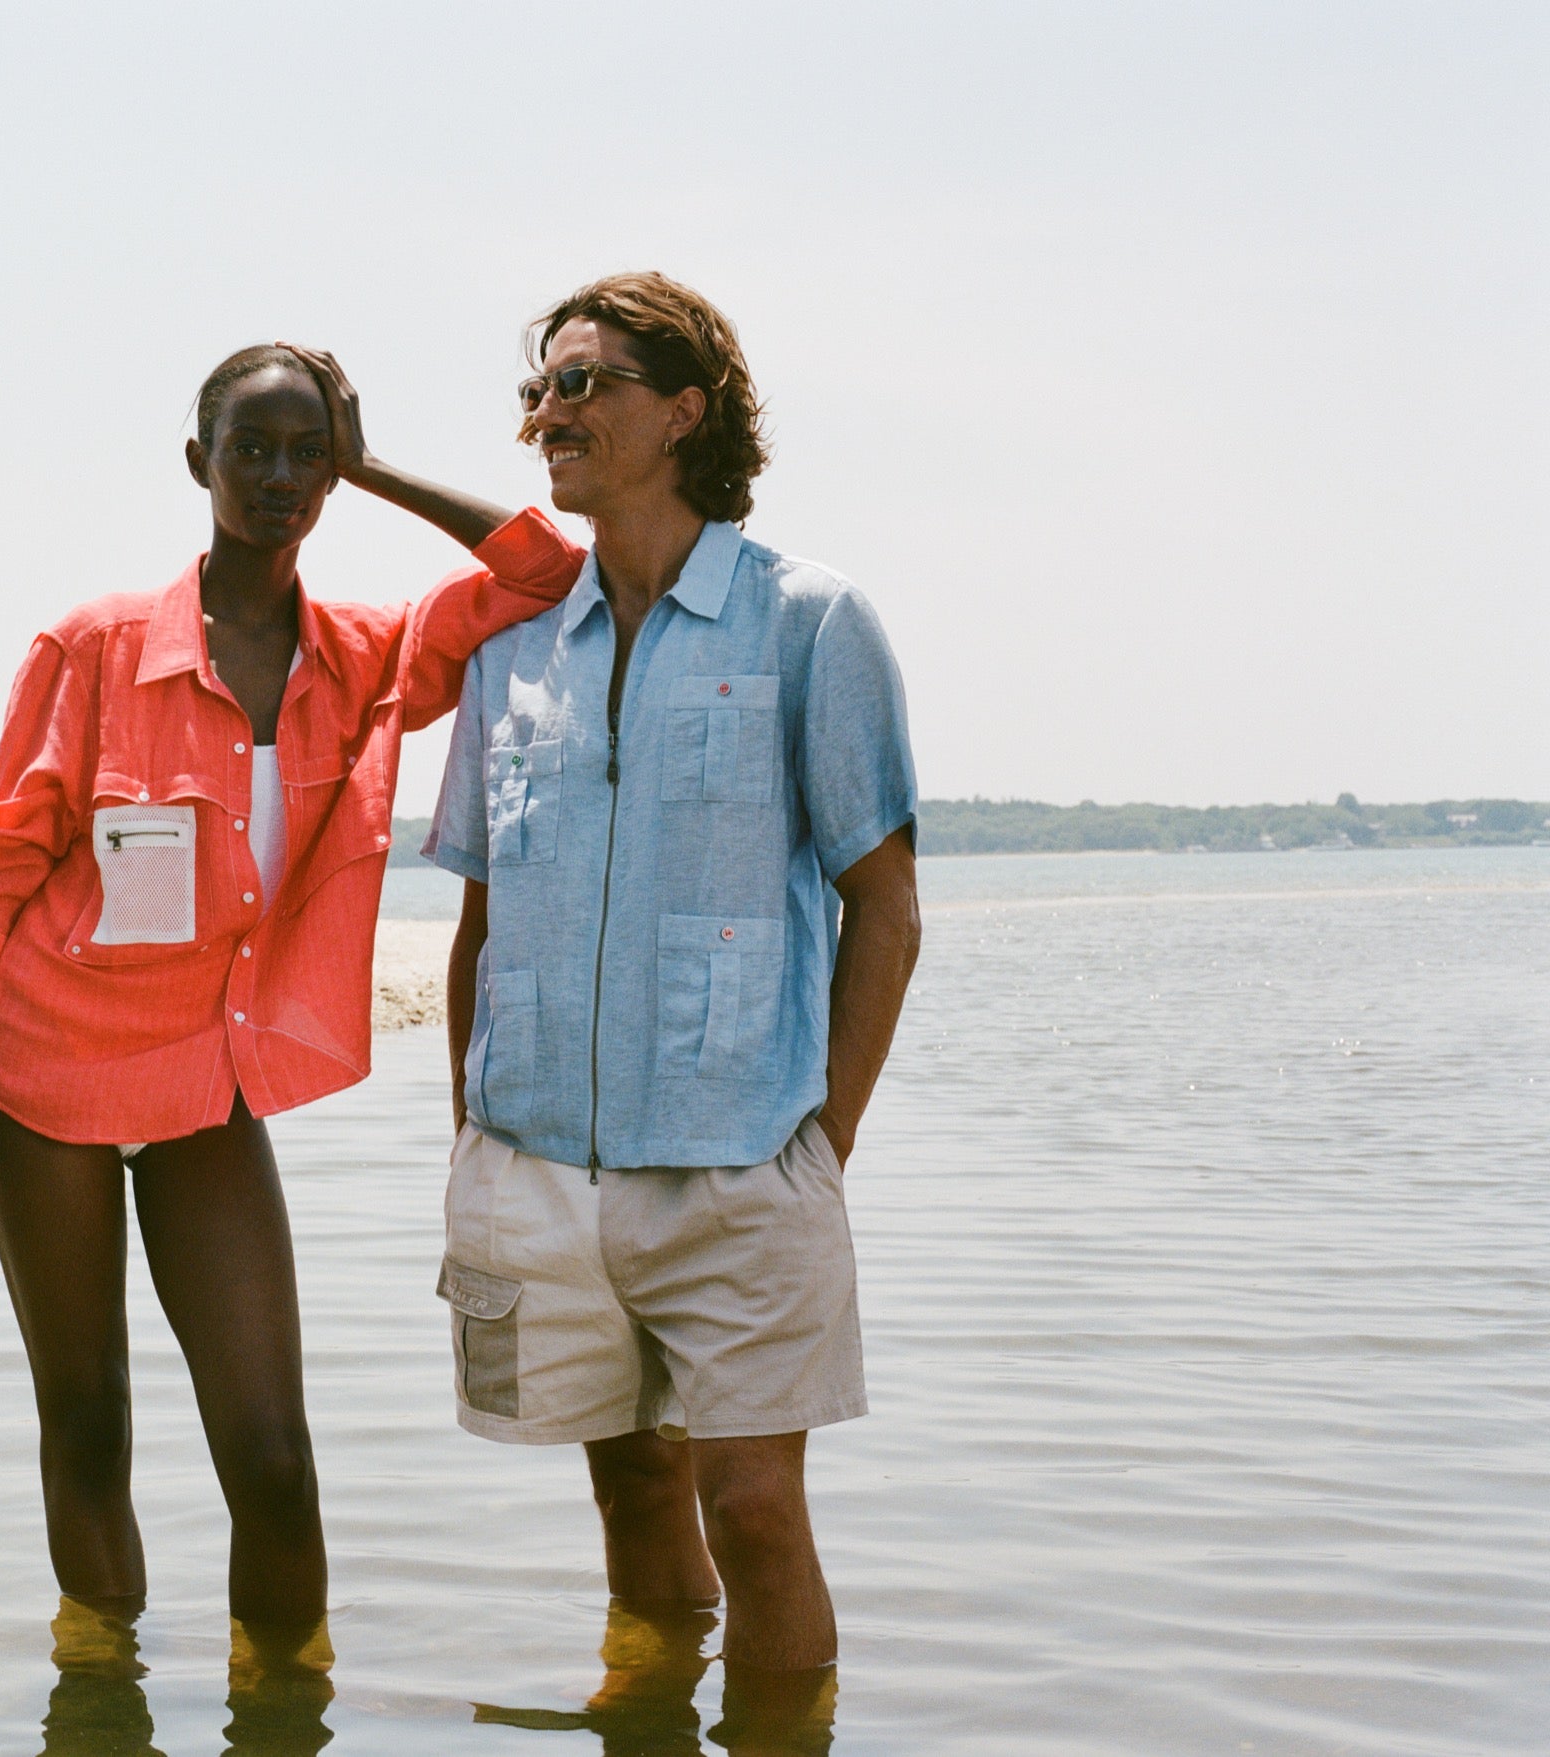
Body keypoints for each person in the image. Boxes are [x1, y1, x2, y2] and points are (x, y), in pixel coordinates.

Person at [0, 344, 585, 1683]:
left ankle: (285, 1711)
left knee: (273, 1458)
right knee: (89, 1417)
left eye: (305, 451)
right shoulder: (96, 648)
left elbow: (542, 572)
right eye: (252, 449)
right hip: (44, 1070)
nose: (280, 477)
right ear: (198, 463)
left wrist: (372, 456)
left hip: (208, 1082)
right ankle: (101, 1699)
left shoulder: (368, 657)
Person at [427, 272, 921, 1735]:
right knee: (633, 1485)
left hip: (741, 1168)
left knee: (755, 1507)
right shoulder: (511, 658)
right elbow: (477, 918)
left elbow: (883, 908)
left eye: (584, 384)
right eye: (542, 390)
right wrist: (469, 1135)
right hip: (537, 1168)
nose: (550, 413)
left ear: (684, 409)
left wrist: (820, 1139)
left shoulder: (810, 623)